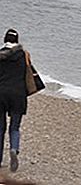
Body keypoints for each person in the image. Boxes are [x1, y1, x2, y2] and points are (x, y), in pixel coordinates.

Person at [0, 29, 30, 172]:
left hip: (1, 94)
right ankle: (14, 148)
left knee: (0, 128)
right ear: (17, 41)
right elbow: (29, 74)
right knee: (15, 127)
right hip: (18, 95)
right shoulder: (24, 56)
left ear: (4, 40)